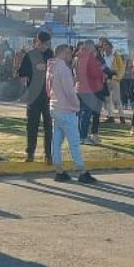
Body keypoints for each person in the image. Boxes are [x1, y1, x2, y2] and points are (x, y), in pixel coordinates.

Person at [46, 43, 96, 184]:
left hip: (55, 106)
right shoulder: (64, 69)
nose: (70, 56)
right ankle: (82, 171)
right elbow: (69, 92)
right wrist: (76, 105)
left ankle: (59, 170)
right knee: (74, 142)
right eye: (68, 53)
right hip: (66, 109)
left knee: (56, 141)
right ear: (62, 53)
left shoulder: (51, 67)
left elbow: (48, 88)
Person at [18, 31, 53, 163]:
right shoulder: (30, 55)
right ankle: (30, 153)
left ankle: (48, 154)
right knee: (32, 125)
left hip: (48, 94)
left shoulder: (50, 54)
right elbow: (22, 74)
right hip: (33, 95)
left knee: (48, 126)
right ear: (37, 42)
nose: (44, 46)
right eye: (41, 43)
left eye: (46, 44)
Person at [75, 41, 105, 145]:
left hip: (79, 87)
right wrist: (102, 72)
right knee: (86, 114)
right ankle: (83, 136)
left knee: (80, 114)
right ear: (90, 47)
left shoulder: (78, 57)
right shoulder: (89, 58)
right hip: (88, 88)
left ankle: (79, 135)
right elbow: (94, 73)